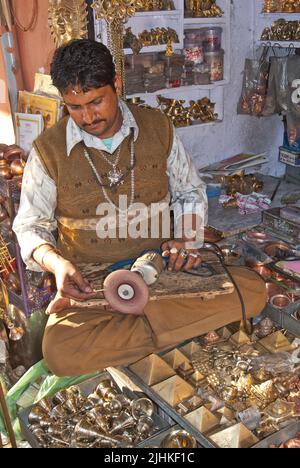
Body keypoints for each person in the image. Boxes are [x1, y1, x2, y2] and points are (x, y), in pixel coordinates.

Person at [13, 39, 266, 377]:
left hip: (162, 267)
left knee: (252, 290)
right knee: (60, 351)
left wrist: (187, 242)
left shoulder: (158, 127)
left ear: (117, 85)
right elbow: (29, 227)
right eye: (74, 107)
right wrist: (57, 264)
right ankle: (169, 328)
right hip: (92, 283)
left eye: (96, 101)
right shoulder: (47, 151)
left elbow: (190, 191)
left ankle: (137, 328)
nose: (87, 117)